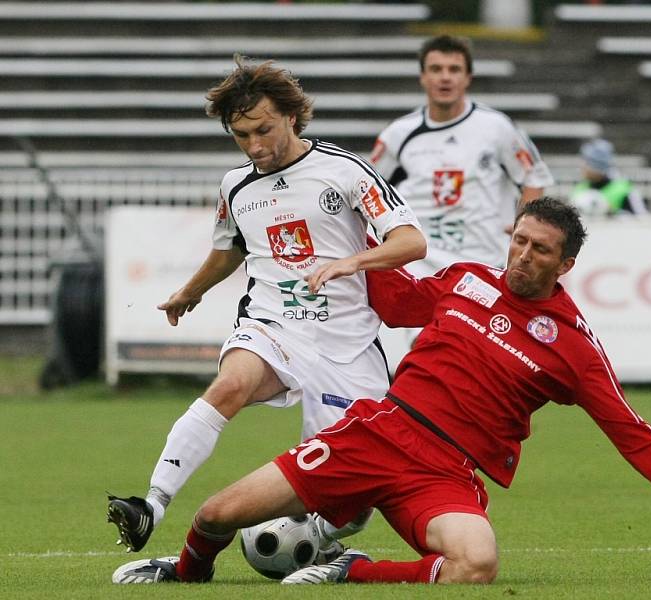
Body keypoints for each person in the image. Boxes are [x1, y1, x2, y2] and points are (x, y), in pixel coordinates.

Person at [112, 197, 651, 586]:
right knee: (218, 516)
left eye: (542, 250)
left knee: (477, 564)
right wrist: (350, 245)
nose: (524, 256)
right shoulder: (464, 282)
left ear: (566, 264)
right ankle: (187, 576)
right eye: (519, 240)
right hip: (376, 434)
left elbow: (631, 430)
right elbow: (394, 300)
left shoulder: (571, 345)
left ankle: (351, 572)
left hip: (446, 472)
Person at [106, 56, 426, 555]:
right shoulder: (236, 185)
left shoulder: (343, 170)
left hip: (347, 344)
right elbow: (230, 247)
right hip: (274, 324)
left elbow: (411, 241)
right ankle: (151, 504)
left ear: (292, 118)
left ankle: (319, 545)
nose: (254, 146)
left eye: (264, 130)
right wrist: (192, 291)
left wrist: (353, 262)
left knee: (353, 495)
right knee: (231, 384)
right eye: (240, 135)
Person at [370, 34, 554, 277]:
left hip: (483, 263)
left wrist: (525, 223)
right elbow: (368, 190)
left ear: (468, 78)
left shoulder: (497, 127)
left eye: (454, 69)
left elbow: (534, 177)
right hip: (419, 268)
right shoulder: (398, 134)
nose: (445, 77)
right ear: (423, 77)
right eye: (436, 69)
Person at [570, 138, 648, 217]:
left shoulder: (625, 191)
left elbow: (642, 219)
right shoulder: (580, 188)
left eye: (586, 162)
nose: (582, 166)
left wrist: (614, 215)